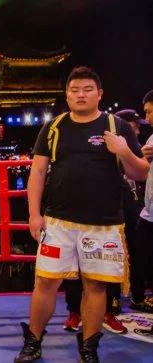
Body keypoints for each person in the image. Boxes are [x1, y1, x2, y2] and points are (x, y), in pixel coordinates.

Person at [15, 66, 149, 363]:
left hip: (104, 224)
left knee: (96, 285)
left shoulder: (117, 126)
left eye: (87, 89)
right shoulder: (54, 127)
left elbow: (140, 173)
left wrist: (124, 151)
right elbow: (38, 172)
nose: (80, 95)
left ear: (99, 94)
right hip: (58, 221)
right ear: (67, 95)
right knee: (45, 282)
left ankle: (88, 348)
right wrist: (34, 215)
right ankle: (33, 341)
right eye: (74, 90)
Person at [130, 90, 153, 313]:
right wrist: (141, 158)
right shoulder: (151, 140)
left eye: (149, 111)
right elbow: (141, 173)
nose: (147, 117)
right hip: (149, 211)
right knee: (142, 256)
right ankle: (140, 297)